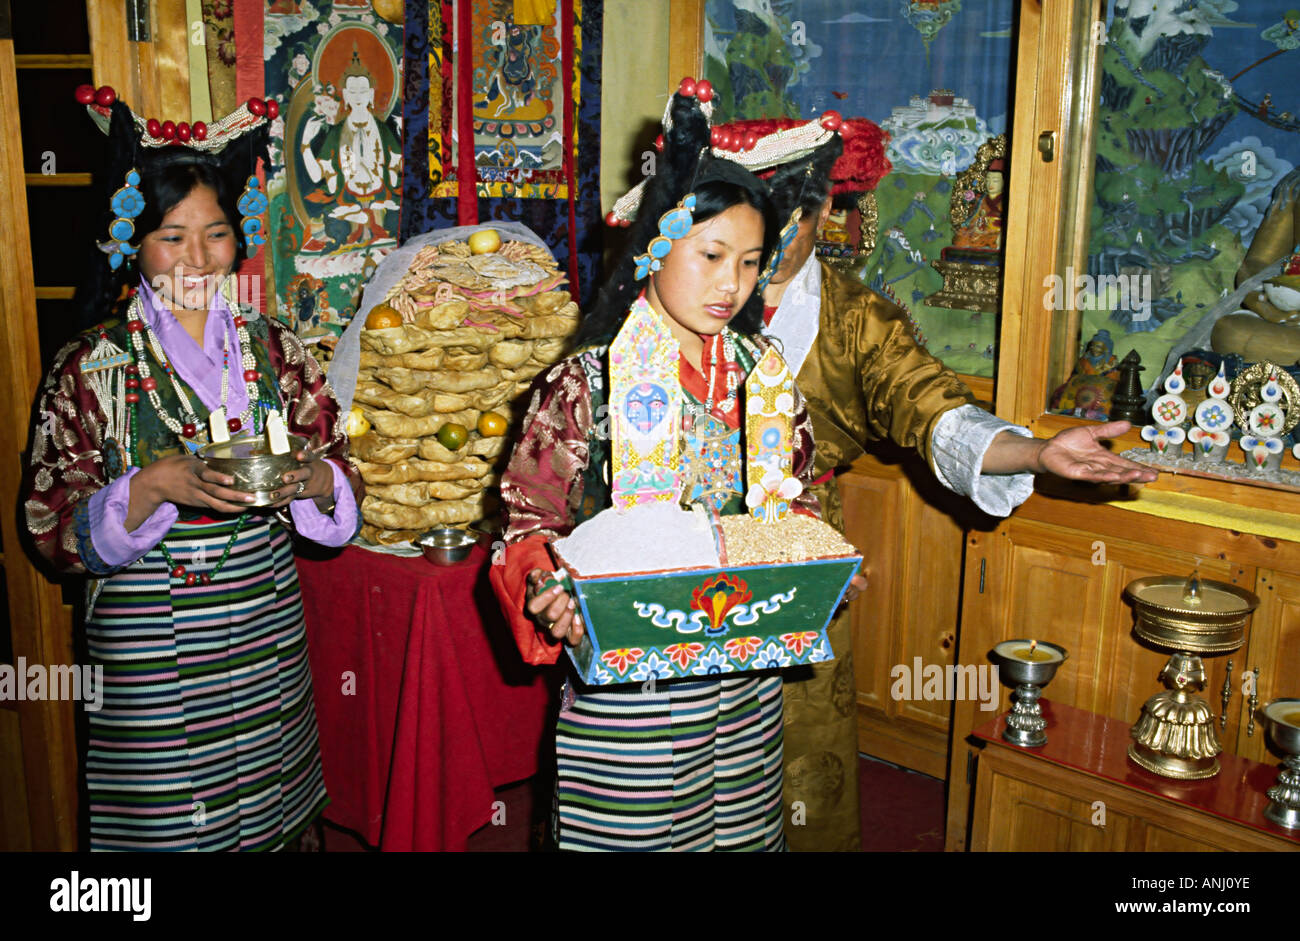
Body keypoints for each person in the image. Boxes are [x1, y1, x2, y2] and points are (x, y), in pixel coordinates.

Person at [715, 112, 1156, 850]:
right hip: (674, 541)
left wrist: (1036, 453)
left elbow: (936, 413)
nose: (777, 235)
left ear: (825, 209)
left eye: (797, 211)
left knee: (800, 744)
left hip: (802, 552)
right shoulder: (678, 289)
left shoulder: (860, 322)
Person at [22, 90, 363, 851]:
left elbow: (339, 466)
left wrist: (314, 481)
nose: (199, 258)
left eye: (215, 234)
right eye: (172, 237)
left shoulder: (273, 347)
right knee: (166, 823)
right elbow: (46, 521)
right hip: (151, 640)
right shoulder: (91, 365)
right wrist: (152, 487)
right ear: (134, 241)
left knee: (273, 812)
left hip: (265, 622)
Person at [489, 86, 820, 851]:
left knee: (739, 831)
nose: (730, 284)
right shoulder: (589, 380)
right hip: (630, 677)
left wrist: (811, 563)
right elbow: (527, 524)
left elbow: (794, 493)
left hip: (745, 668)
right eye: (709, 256)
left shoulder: (761, 374)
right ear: (656, 246)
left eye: (748, 262)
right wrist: (549, 592)